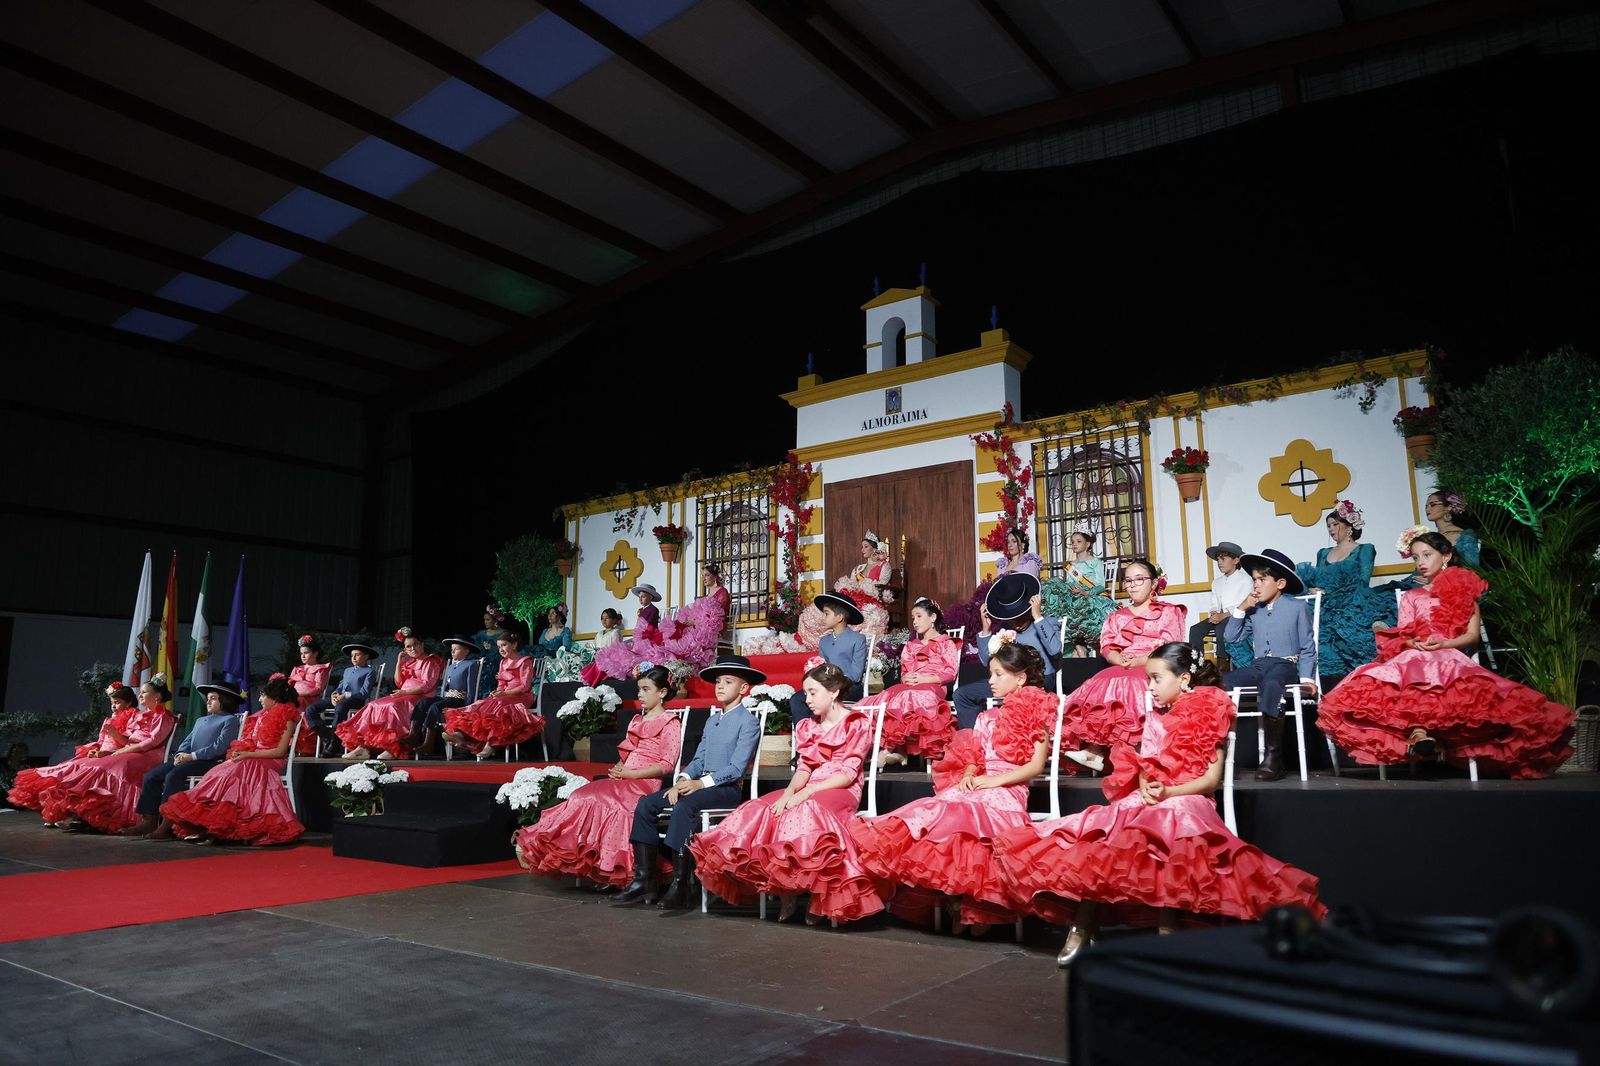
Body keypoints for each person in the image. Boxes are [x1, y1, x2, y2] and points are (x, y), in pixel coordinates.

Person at [994, 642, 1327, 967]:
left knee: (1168, 823)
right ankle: (1083, 922)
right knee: (1109, 833)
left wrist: (1168, 793)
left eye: (1156, 678)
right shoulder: (1153, 715)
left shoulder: (1211, 708)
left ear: (1183, 679)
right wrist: (1148, 785)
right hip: (1155, 795)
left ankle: (1168, 928)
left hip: (1190, 797)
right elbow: (1144, 764)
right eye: (1149, 679)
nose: (1150, 687)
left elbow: (1210, 780)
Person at [1318, 531, 1572, 778]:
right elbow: (1404, 632)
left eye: (1427, 555)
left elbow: (1472, 635)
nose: (1421, 562)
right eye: (1416, 557)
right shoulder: (1412, 596)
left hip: (1449, 652)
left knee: (1449, 681)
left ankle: (1427, 737)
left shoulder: (1464, 589)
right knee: (1394, 676)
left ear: (1446, 556)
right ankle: (1420, 735)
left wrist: (1444, 644)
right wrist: (1413, 641)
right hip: (1416, 653)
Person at [850, 641, 1054, 935]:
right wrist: (971, 772)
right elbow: (977, 756)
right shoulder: (986, 717)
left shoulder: (1036, 711)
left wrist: (992, 781)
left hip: (1007, 788)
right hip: (982, 782)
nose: (991, 682)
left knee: (971, 816)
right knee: (944, 806)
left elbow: (1035, 767)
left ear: (1020, 678)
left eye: (998, 675)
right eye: (991, 674)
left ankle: (978, 904)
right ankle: (956, 897)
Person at [692, 663, 880, 924]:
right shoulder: (808, 726)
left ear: (834, 692)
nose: (807, 700)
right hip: (809, 784)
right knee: (762, 807)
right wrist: (789, 792)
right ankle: (785, 889)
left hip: (840, 788)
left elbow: (848, 773)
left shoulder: (856, 723)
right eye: (806, 693)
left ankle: (818, 894)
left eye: (813, 693)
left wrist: (808, 792)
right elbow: (804, 768)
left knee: (806, 809)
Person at [611, 654, 764, 910]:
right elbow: (698, 758)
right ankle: (644, 878)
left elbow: (736, 768)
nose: (721, 686)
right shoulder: (713, 720)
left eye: (728, 681)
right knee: (647, 805)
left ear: (744, 688)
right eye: (718, 682)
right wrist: (681, 779)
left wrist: (699, 784)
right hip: (700, 785)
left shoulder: (747, 722)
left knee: (684, 807)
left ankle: (680, 882)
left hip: (725, 790)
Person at [516, 664, 682, 887]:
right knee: (582, 795)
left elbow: (667, 764)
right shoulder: (637, 720)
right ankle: (575, 855)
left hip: (643, 783)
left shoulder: (670, 722)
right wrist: (619, 768)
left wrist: (632, 774)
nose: (639, 695)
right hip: (625, 778)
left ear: (662, 693)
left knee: (605, 801)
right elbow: (627, 754)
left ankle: (616, 867)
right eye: (639, 689)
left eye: (645, 689)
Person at [1060, 559, 1186, 773]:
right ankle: (1094, 750)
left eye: (1139, 579)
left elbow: (1171, 645)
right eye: (1128, 580)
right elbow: (1107, 645)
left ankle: (1136, 753)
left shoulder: (1168, 612)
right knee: (1102, 679)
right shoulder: (1117, 616)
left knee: (1129, 682)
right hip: (1123, 665)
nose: (1133, 585)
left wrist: (1140, 660)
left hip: (1154, 666)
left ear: (1154, 583)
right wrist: (1117, 659)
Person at [8, 676, 176, 832]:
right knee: (88, 764)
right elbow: (126, 740)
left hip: (147, 755)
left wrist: (125, 749)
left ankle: (94, 814)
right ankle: (80, 812)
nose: (140, 695)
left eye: (144, 692)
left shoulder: (163, 716)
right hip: (128, 752)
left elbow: (152, 742)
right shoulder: (137, 715)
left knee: (104, 767)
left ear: (157, 696)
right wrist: (117, 740)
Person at [160, 673, 304, 846]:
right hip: (252, 757)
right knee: (223, 770)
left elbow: (280, 751)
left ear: (274, 699)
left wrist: (249, 755)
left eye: (263, 696)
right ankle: (211, 825)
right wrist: (243, 752)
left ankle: (220, 828)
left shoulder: (287, 716)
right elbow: (252, 743)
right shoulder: (261, 717)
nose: (259, 700)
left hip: (269, 759)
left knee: (237, 768)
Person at [1220, 549, 1318, 782]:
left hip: (1286, 665)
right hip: (1259, 665)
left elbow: (1307, 646)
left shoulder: (1297, 607)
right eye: (1254, 579)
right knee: (1223, 682)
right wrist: (1241, 608)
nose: (1256, 585)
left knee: (1273, 682)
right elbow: (1232, 638)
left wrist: (1307, 679)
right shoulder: (1255, 611)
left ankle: (1274, 757)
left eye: (1262, 580)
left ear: (1280, 583)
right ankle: (1223, 756)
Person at [124, 681, 245, 838]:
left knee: (173, 776)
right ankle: (149, 820)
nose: (208, 701)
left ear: (225, 700)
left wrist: (192, 756)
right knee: (151, 776)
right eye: (208, 698)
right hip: (189, 759)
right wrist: (180, 754)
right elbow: (187, 742)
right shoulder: (201, 720)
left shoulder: (229, 720)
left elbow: (219, 747)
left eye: (213, 698)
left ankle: (167, 822)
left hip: (210, 762)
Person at [1295, 500, 1396, 686]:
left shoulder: (1364, 549)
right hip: (1325, 605)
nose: (1331, 529)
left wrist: (1342, 598)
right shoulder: (1323, 553)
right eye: (1328, 526)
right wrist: (1312, 589)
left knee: (1354, 639)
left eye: (1335, 524)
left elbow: (1363, 581)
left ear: (1349, 525)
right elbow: (1318, 578)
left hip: (1352, 604)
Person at [854, 596, 960, 767]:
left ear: (932, 618)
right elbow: (905, 670)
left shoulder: (945, 643)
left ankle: (893, 748)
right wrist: (906, 677)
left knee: (909, 696)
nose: (915, 622)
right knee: (882, 698)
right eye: (913, 618)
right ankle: (891, 749)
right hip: (911, 685)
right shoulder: (912, 645)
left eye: (919, 616)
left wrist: (926, 678)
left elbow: (950, 673)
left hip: (933, 686)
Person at [954, 573, 1061, 729]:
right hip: (1007, 679)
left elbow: (1055, 649)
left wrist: (1037, 617)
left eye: (1020, 615)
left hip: (1040, 679)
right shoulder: (1006, 631)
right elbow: (987, 662)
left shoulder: (1047, 622)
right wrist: (986, 630)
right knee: (962, 695)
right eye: (1012, 617)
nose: (1016, 623)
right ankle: (976, 742)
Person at [337, 629, 444, 760]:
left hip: (420, 697)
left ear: (422, 644)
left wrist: (405, 692)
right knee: (373, 705)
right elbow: (399, 682)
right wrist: (399, 662)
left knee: (392, 706)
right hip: (403, 694)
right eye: (408, 646)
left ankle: (392, 748)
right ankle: (364, 747)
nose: (412, 648)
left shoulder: (430, 661)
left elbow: (427, 685)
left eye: (415, 644)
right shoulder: (409, 662)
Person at [443, 620, 543, 760]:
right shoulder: (503, 662)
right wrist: (497, 691)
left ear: (514, 645)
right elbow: (501, 683)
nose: (501, 649)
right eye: (499, 646)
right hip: (505, 695)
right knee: (482, 703)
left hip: (521, 695)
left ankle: (490, 744)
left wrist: (504, 693)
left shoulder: (524, 661)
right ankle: (461, 735)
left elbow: (524, 686)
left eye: (504, 645)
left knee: (499, 704)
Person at [795, 532, 893, 645]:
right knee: (822, 613)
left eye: (866, 547)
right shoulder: (858, 569)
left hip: (870, 601)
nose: (863, 550)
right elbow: (851, 584)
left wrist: (865, 589)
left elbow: (881, 586)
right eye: (862, 547)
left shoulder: (883, 566)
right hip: (853, 599)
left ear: (875, 548)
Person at [789, 593, 867, 726]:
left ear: (840, 617)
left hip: (849, 687)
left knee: (821, 697)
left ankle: (822, 733)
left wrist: (833, 677)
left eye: (827, 613)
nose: (823, 617)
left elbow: (856, 674)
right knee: (796, 699)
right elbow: (820, 668)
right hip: (826, 686)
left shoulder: (857, 639)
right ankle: (806, 736)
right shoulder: (824, 641)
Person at [1045, 529, 1115, 656]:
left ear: (1088, 544)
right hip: (1072, 596)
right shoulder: (1071, 565)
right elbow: (1070, 584)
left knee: (1080, 608)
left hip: (1090, 595)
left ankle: (1080, 645)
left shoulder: (1095, 562)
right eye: (1072, 542)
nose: (1074, 545)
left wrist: (1086, 592)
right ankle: (1076, 645)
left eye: (1078, 541)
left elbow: (1101, 585)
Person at [406, 635, 478, 755]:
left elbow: (472, 687)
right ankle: (414, 734)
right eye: (452, 649)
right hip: (447, 696)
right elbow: (444, 686)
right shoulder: (450, 666)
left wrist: (469, 705)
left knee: (435, 707)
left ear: (466, 650)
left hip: (459, 699)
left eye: (457, 648)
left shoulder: (470, 664)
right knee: (423, 702)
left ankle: (429, 742)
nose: (453, 651)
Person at [1188, 541, 1254, 671]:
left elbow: (1244, 603)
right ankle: (1197, 665)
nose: (1219, 562)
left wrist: (1223, 615)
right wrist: (1213, 613)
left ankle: (1222, 666)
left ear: (1235, 560)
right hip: (1219, 616)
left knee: (1221, 627)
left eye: (1223, 559)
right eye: (1218, 559)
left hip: (1237, 616)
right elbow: (1214, 602)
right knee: (1195, 629)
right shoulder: (1216, 582)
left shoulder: (1245, 580)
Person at [303, 643, 379, 752]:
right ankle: (327, 736)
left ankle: (334, 743)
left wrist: (345, 695)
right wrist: (335, 694)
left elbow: (365, 693)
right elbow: (340, 687)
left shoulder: (369, 671)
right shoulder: (347, 670)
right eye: (352, 655)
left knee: (340, 706)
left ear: (366, 656)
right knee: (311, 709)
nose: (353, 658)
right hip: (340, 699)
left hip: (355, 700)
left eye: (357, 655)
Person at [1424, 488, 1481, 567]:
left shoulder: (1465, 536)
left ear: (1449, 507)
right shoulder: (1432, 538)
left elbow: (1472, 567)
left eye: (1433, 505)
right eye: (1426, 506)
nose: (1427, 509)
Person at [473, 607, 507, 699]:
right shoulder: (481, 634)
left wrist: (493, 648)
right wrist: (483, 648)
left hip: (498, 661)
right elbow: (476, 649)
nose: (485, 622)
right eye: (484, 620)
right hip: (484, 662)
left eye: (488, 620)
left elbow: (507, 649)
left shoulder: (503, 633)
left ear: (495, 621)